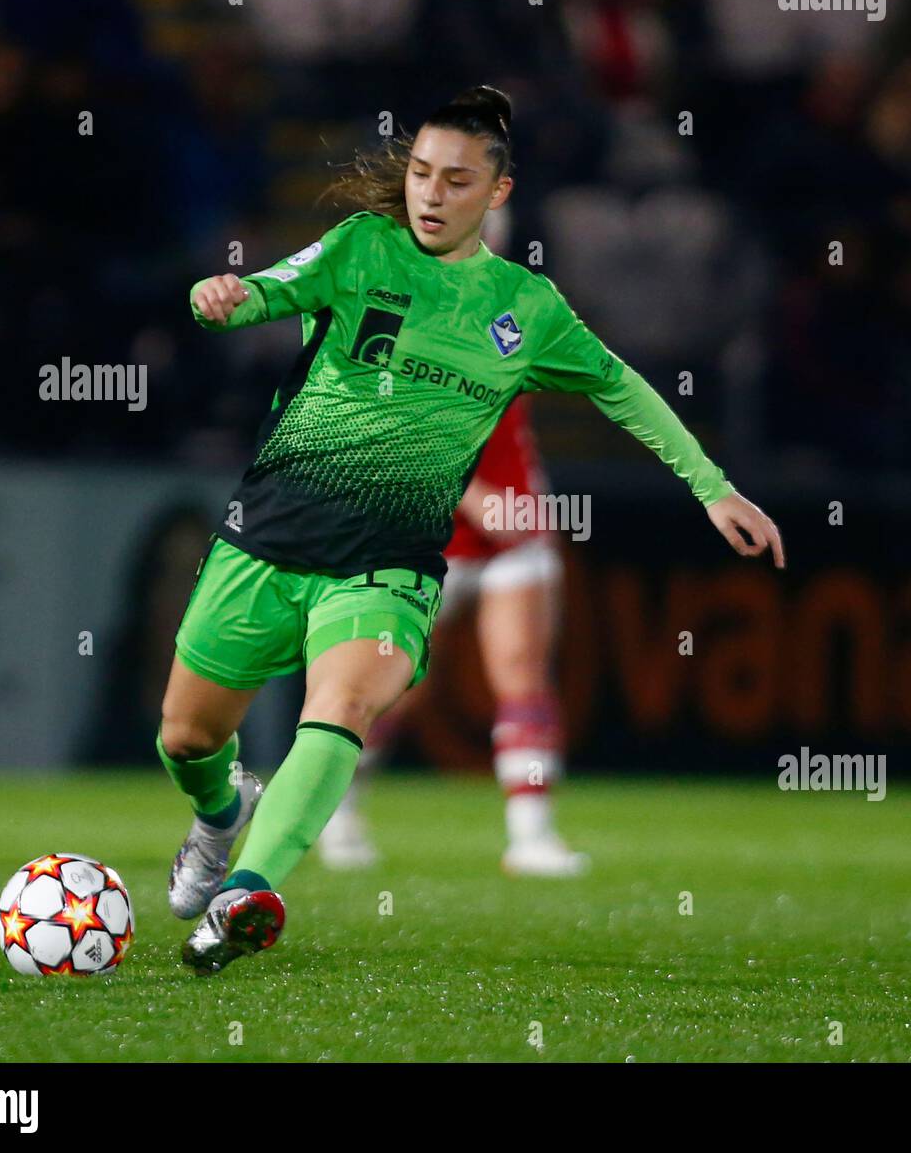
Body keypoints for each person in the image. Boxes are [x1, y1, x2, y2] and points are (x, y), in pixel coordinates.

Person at [161, 85, 785, 976]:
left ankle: (247, 890)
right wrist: (214, 294)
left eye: (456, 179)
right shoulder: (360, 247)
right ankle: (221, 815)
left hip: (391, 562)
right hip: (267, 537)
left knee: (338, 705)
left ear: (496, 194)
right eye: (419, 172)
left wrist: (713, 487)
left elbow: (620, 385)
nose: (429, 192)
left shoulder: (526, 308)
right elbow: (263, 291)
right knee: (186, 736)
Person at [320, 396, 587, 877]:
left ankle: (532, 834)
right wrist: (472, 493)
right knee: (396, 688)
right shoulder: (411, 330)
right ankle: (336, 811)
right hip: (427, 530)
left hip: (515, 521)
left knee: (523, 673)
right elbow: (383, 421)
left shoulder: (523, 323)